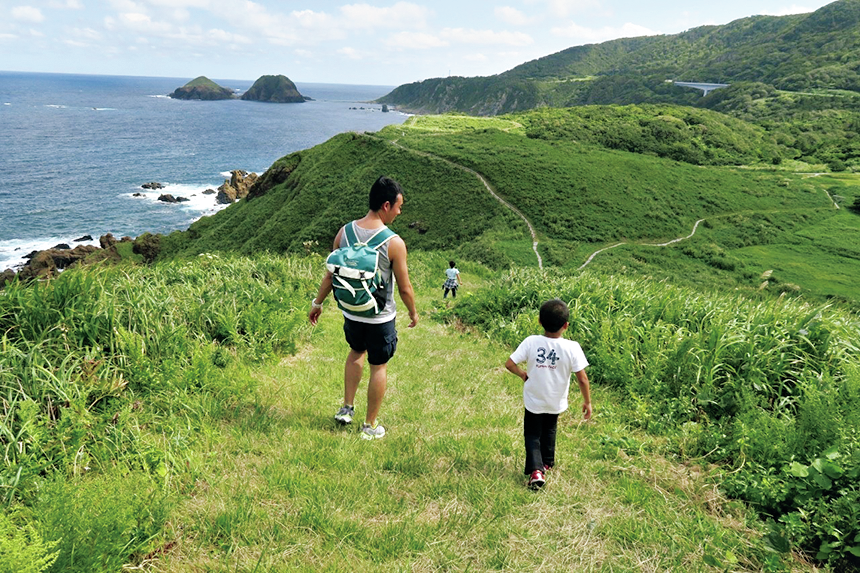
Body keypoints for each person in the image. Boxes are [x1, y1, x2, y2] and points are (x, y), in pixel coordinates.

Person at [308, 176, 419, 440]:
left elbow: (330, 275)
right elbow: (404, 288)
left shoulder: (343, 232)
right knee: (378, 366)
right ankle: (369, 426)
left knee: (355, 351)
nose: (400, 212)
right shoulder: (394, 242)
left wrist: (318, 303)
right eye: (398, 207)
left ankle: (347, 408)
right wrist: (413, 313)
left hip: (351, 312)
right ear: (386, 205)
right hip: (379, 317)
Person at [504, 298, 592, 489]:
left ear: (540, 321)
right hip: (556, 400)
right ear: (566, 325)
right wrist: (587, 402)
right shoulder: (572, 347)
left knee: (533, 434)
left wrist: (522, 375)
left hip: (534, 399)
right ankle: (546, 463)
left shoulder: (531, 342)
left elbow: (510, 364)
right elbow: (583, 378)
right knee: (550, 428)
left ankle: (536, 471)